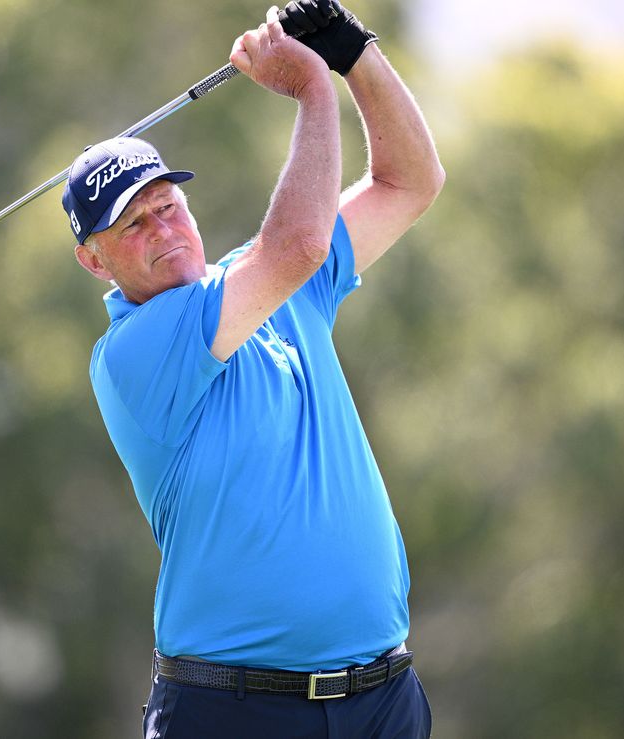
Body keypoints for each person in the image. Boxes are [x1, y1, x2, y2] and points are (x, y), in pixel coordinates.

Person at [63, 2, 443, 736]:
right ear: (94, 259)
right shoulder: (134, 351)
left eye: (168, 205)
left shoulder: (264, 287)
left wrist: (353, 51)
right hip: (237, 711)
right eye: (132, 224)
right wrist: (311, 88)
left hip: (382, 699)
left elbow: (411, 182)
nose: (163, 231)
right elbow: (298, 245)